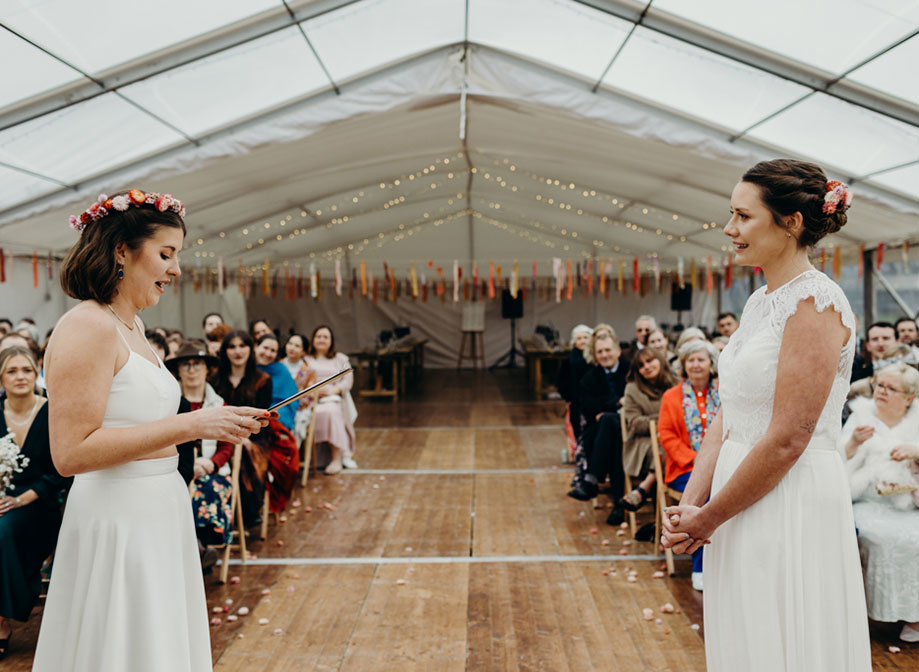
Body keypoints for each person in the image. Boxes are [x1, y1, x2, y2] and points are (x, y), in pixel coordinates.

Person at [33, 190, 269, 672]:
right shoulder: (87, 327)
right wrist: (192, 423)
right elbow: (70, 454)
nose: (176, 270)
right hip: (118, 520)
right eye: (166, 254)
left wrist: (219, 423)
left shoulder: (133, 327)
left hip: (159, 510)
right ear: (122, 250)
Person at [661, 160, 871, 670]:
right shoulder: (760, 302)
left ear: (791, 223)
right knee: (748, 637)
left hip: (789, 494)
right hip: (737, 493)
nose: (729, 230)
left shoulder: (817, 303)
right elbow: (726, 412)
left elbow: (789, 439)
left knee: (784, 638)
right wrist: (689, 507)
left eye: (742, 216)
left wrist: (709, 517)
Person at [0, 347, 70, 661]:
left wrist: (25, 498)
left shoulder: (53, 412)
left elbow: (63, 468)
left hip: (41, 504)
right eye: (12, 370)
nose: (20, 377)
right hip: (3, 502)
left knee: (3, 529)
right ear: (1, 377)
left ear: (37, 373)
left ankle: (2, 621)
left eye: (26, 370)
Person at [841, 362, 919, 642]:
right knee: (882, 538)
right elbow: (837, 460)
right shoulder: (862, 415)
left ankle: (915, 616)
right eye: (880, 385)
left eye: (891, 388)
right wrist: (852, 443)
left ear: (909, 397)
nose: (882, 392)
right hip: (868, 501)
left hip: (910, 502)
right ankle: (878, 613)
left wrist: (916, 452)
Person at [658, 340, 720, 590]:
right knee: (704, 499)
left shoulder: (722, 393)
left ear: (711, 365)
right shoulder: (671, 397)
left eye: (701, 360)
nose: (696, 365)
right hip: (683, 470)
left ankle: (723, 563)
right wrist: (699, 461)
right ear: (683, 365)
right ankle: (700, 566)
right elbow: (667, 435)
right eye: (691, 360)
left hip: (720, 466)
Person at [165, 341, 232, 555]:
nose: (192, 370)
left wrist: (210, 464)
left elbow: (226, 445)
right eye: (186, 365)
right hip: (175, 470)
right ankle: (189, 550)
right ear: (178, 371)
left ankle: (198, 547)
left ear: (207, 370)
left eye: (197, 364)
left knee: (208, 490)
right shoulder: (169, 401)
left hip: (210, 470)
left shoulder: (219, 404)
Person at [567, 325, 631, 525]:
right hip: (601, 435)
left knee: (607, 420)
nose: (604, 355)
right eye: (600, 352)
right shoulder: (590, 377)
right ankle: (619, 505)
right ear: (595, 355)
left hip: (631, 426)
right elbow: (587, 408)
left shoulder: (630, 370)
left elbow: (632, 400)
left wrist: (609, 408)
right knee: (612, 438)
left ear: (618, 350)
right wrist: (615, 404)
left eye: (608, 350)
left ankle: (592, 479)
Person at [211, 330, 273, 528]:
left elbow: (263, 421)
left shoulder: (262, 380)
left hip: (254, 438)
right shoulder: (215, 380)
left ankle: (246, 512)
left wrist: (244, 437)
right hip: (219, 436)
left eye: (242, 345)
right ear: (224, 351)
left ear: (250, 349)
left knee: (241, 450)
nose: (237, 351)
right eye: (232, 346)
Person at [617, 347, 678, 532]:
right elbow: (635, 424)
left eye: (650, 361)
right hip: (643, 443)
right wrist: (665, 420)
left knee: (673, 448)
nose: (647, 367)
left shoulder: (676, 382)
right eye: (641, 365)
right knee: (667, 451)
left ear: (659, 359)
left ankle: (645, 493)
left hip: (674, 438)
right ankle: (666, 519)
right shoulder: (632, 389)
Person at [303, 325, 356, 474]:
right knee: (316, 412)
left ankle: (336, 458)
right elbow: (300, 379)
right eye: (318, 336)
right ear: (313, 339)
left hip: (333, 398)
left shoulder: (341, 359)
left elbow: (348, 380)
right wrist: (314, 391)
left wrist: (335, 389)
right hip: (311, 399)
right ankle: (315, 458)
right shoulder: (305, 359)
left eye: (325, 337)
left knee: (331, 411)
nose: (321, 340)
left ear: (331, 341)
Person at [556, 324, 593, 462]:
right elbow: (562, 381)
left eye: (585, 337)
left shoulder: (595, 358)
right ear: (574, 342)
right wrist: (568, 397)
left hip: (591, 401)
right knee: (577, 428)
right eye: (579, 338)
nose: (583, 341)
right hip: (576, 402)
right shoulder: (569, 360)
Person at [255, 333, 297, 433]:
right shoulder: (246, 367)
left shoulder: (281, 370)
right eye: (265, 348)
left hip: (274, 412)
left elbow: (290, 401)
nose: (268, 354)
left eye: (273, 351)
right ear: (256, 346)